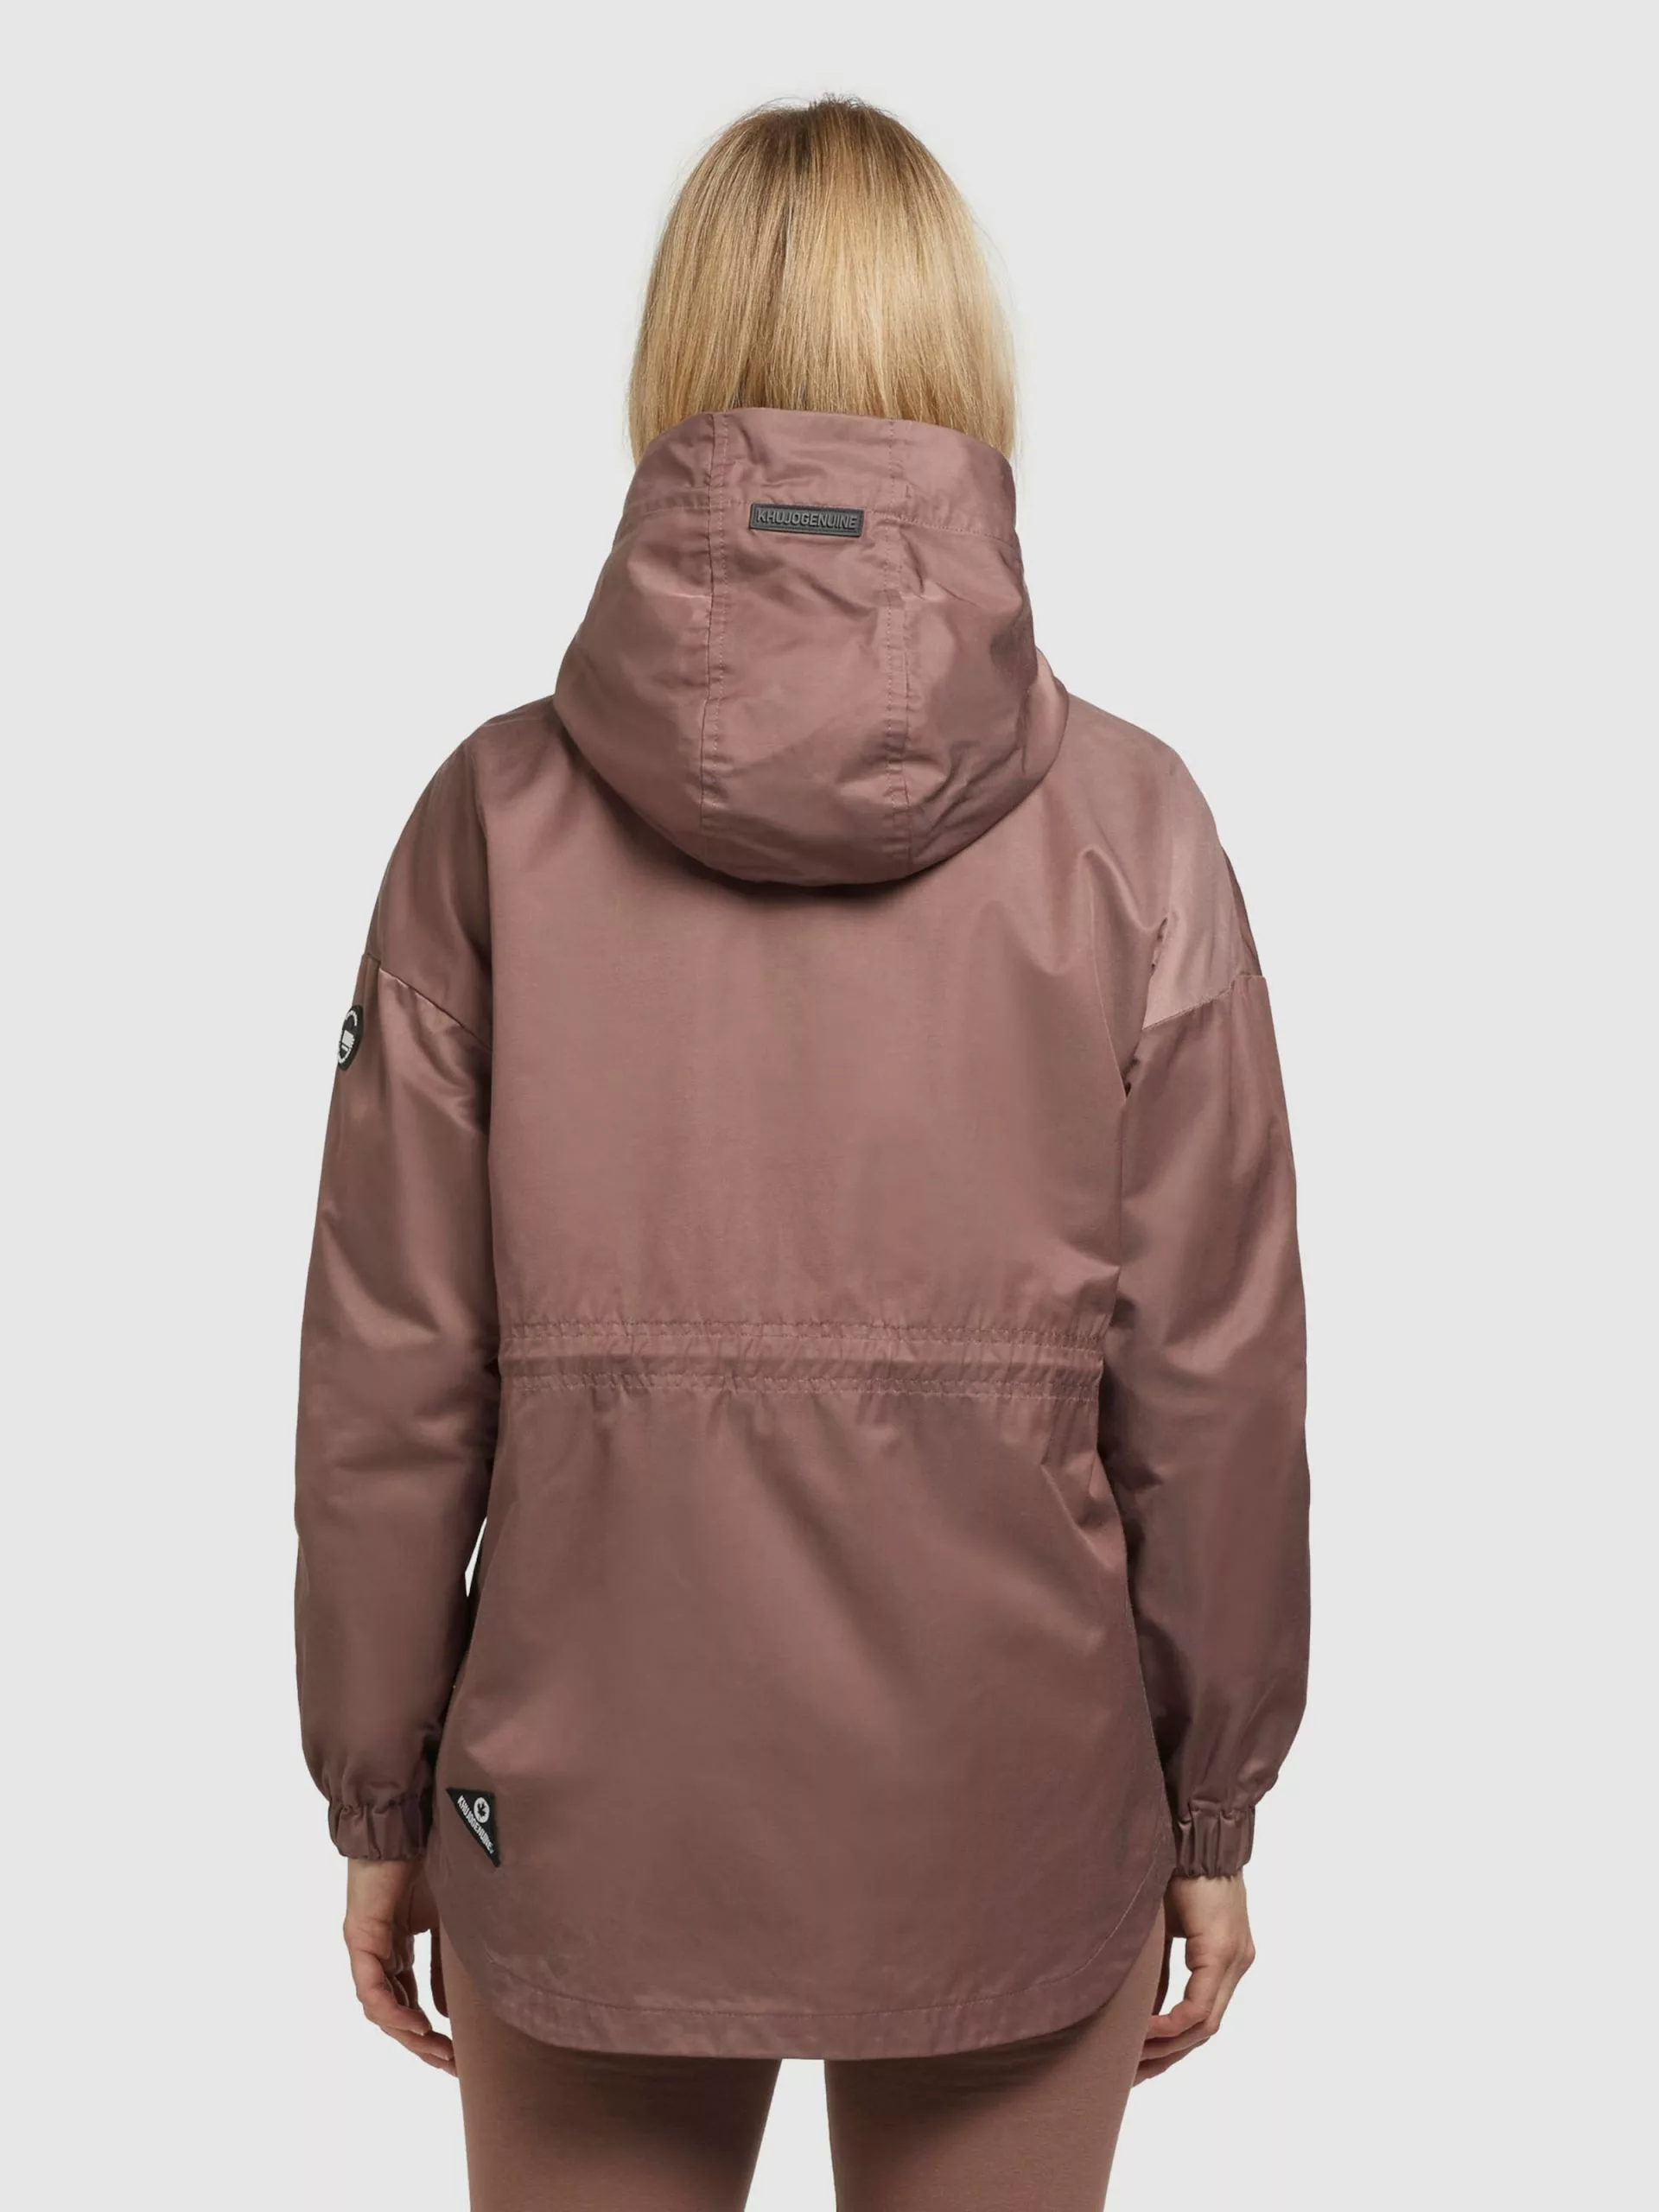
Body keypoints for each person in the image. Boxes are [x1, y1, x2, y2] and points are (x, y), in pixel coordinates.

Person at [296, 94, 1310, 2212]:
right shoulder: (1136, 832)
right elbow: (1213, 1385)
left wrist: (384, 1799)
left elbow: (392, 1383)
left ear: (676, 359)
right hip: (1013, 1802)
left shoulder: (490, 824)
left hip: (585, 1809)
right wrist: (1212, 1806)